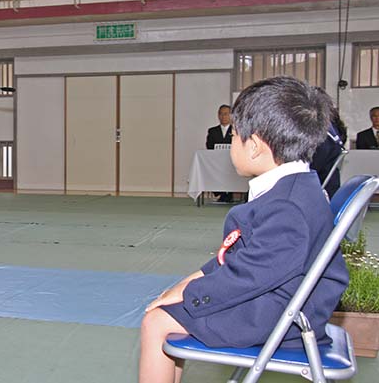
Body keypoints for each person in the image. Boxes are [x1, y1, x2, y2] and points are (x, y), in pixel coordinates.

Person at [138, 76, 348, 383]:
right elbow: (241, 257)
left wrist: (191, 296)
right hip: (282, 298)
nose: (231, 143)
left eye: (235, 135)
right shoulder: (295, 186)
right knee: (167, 309)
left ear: (254, 147)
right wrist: (184, 285)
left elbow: (247, 276)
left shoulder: (286, 208)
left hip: (282, 315)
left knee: (156, 323)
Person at [310, 88, 347, 199]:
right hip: (329, 185)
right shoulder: (331, 129)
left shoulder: (323, 138)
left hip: (320, 193)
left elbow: (309, 170)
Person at [206, 105, 233, 202]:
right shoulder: (212, 131)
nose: (223, 116)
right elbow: (209, 146)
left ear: (231, 115)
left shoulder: (236, 131)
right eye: (221, 114)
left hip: (232, 163)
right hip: (216, 162)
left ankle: (229, 194)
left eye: (226, 114)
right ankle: (219, 193)